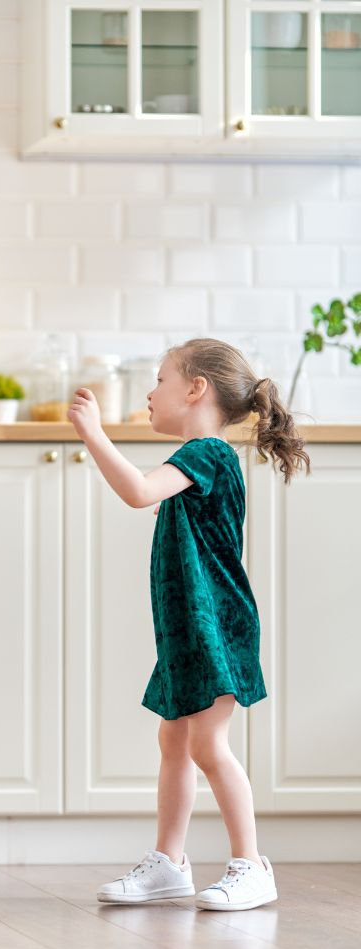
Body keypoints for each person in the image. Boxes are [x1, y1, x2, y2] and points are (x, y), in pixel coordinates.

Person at [68, 338, 309, 911]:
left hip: (214, 628)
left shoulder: (208, 453)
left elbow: (137, 491)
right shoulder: (199, 465)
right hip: (185, 629)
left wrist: (94, 434)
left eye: (159, 380)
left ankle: (251, 864)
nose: (150, 393)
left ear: (196, 388)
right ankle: (169, 863)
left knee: (206, 744)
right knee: (174, 740)